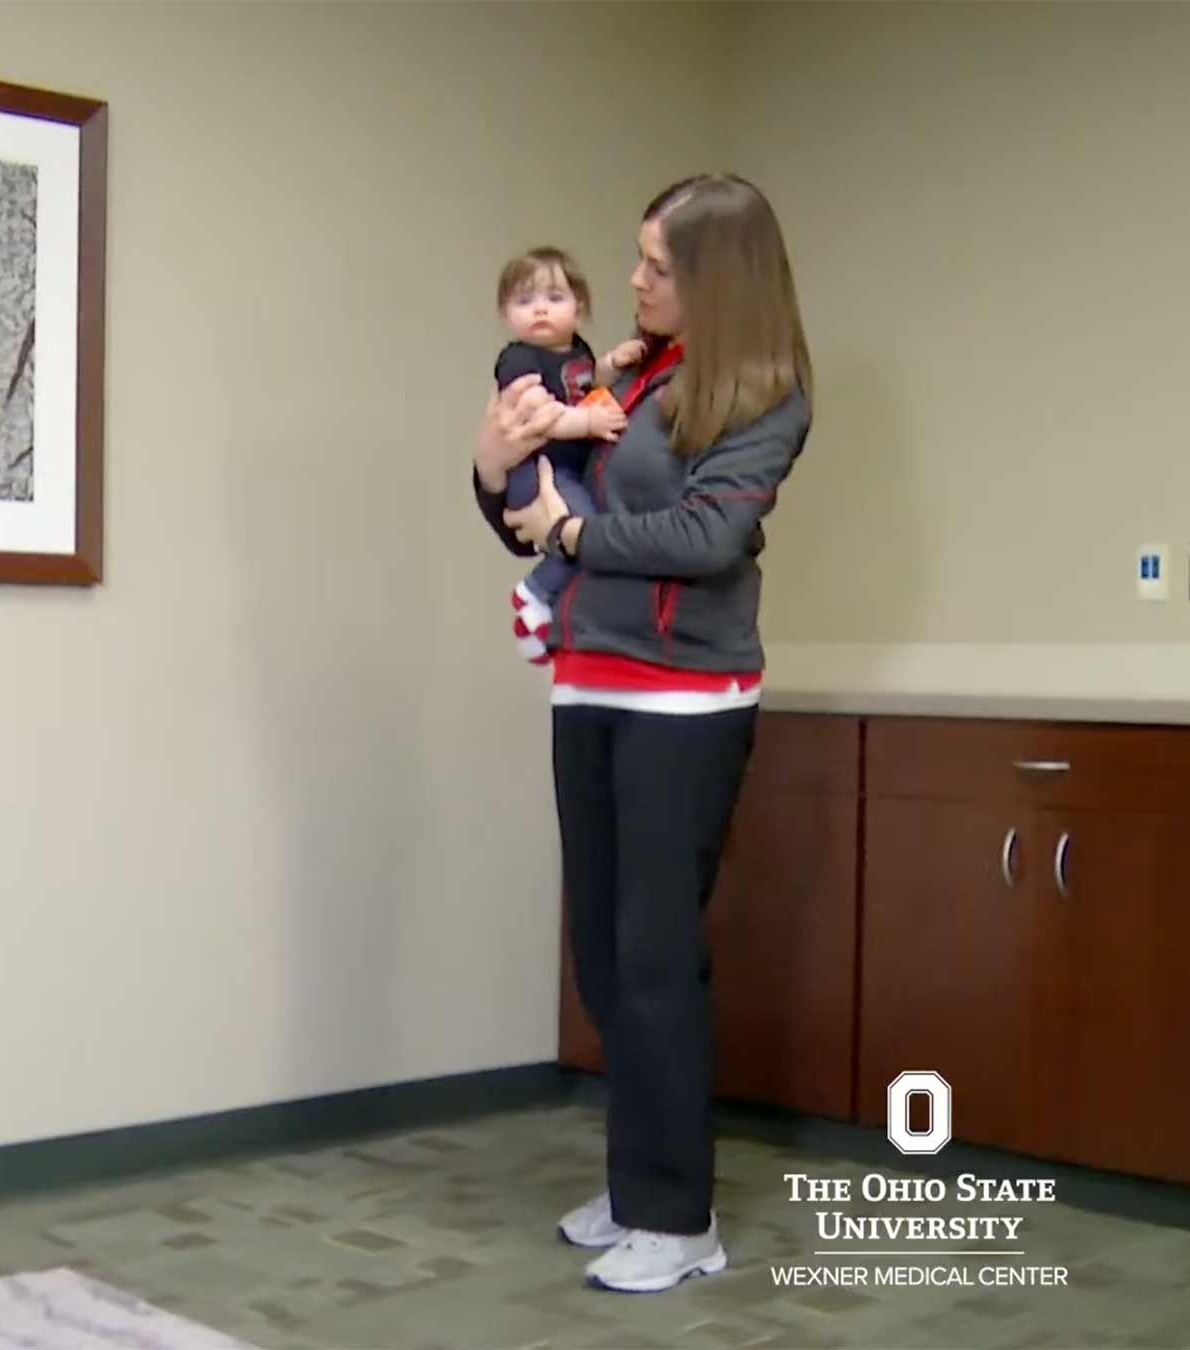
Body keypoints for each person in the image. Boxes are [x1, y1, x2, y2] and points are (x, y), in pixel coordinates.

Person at [470, 174, 812, 1293]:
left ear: (717, 277)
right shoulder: (626, 371)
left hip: (686, 700)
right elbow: (541, 498)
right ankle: (634, 1189)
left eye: (657, 267)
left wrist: (572, 532)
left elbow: (706, 537)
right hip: (589, 682)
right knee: (606, 953)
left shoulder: (766, 393)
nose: (632, 282)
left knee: (657, 955)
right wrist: (493, 467)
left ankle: (678, 1218)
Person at [490, 248, 648, 662]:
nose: (540, 309)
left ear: (579, 307)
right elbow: (539, 416)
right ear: (506, 315)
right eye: (525, 301)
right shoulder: (518, 359)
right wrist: (588, 423)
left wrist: (611, 364)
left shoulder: (576, 350)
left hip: (568, 471)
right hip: (537, 471)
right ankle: (533, 593)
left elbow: (586, 384)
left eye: (554, 297)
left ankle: (543, 616)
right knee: (584, 535)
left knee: (585, 539)